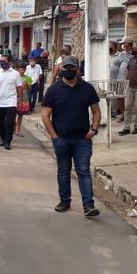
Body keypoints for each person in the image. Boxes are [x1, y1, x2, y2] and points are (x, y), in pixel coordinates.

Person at [41, 55, 102, 217]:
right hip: (61, 139)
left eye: (71, 68)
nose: (68, 71)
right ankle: (64, 201)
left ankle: (88, 205)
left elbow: (96, 111)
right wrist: (54, 136)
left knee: (83, 171)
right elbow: (45, 114)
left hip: (83, 139)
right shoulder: (54, 90)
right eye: (65, 68)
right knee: (63, 170)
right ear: (61, 69)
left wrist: (94, 130)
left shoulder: (87, 88)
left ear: (77, 70)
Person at [0, 55, 24, 150]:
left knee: (9, 122)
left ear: (10, 62)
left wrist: (20, 100)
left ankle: (8, 141)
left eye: (4, 61)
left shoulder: (15, 74)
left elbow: (19, 88)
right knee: (0, 122)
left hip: (11, 102)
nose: (2, 63)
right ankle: (2, 138)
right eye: (1, 61)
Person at [115, 38, 134, 122]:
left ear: (129, 43)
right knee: (120, 98)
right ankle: (122, 115)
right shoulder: (121, 54)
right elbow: (120, 62)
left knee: (129, 99)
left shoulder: (133, 54)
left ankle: (127, 116)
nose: (122, 45)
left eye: (124, 43)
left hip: (129, 80)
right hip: (120, 78)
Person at [15, 62, 33, 137]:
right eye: (21, 69)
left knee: (20, 114)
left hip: (24, 98)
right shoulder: (15, 77)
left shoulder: (27, 78)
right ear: (18, 69)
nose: (22, 71)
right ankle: (14, 128)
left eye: (24, 69)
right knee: (13, 115)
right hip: (15, 98)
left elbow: (30, 88)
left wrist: (27, 86)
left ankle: (18, 130)